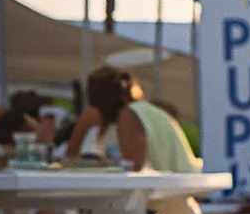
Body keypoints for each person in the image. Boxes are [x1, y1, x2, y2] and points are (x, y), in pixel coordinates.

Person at [68, 66, 198, 171]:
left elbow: (132, 168)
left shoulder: (129, 115)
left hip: (173, 193)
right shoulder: (142, 110)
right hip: (179, 186)